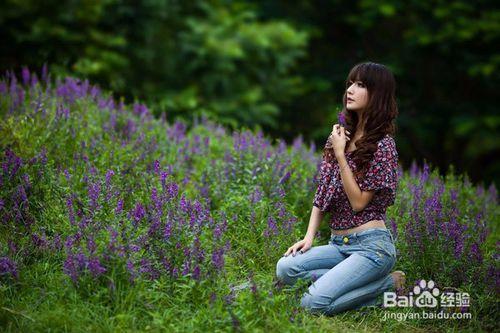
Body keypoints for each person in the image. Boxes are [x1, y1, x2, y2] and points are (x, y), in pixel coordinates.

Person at [275, 62, 406, 316]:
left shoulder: (383, 146)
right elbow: (322, 192)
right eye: (350, 83)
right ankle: (348, 282)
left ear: (378, 95)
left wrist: (341, 155)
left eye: (361, 85)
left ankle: (387, 285)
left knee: (311, 304)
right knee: (285, 268)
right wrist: (309, 236)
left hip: (371, 248)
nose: (351, 90)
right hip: (338, 245)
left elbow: (358, 202)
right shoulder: (338, 136)